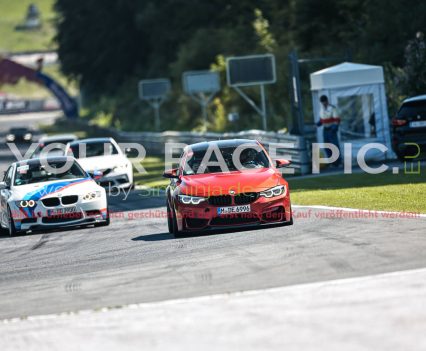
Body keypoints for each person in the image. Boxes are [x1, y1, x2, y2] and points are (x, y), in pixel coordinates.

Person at [316, 95, 341, 166]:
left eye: (324, 102)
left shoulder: (332, 108)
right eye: (322, 102)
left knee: (334, 146)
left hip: (331, 129)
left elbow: (337, 120)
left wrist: (334, 129)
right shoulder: (321, 109)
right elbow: (322, 120)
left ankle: (338, 162)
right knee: (327, 146)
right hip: (325, 130)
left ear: (327, 101)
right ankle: (331, 162)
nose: (323, 103)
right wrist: (317, 124)